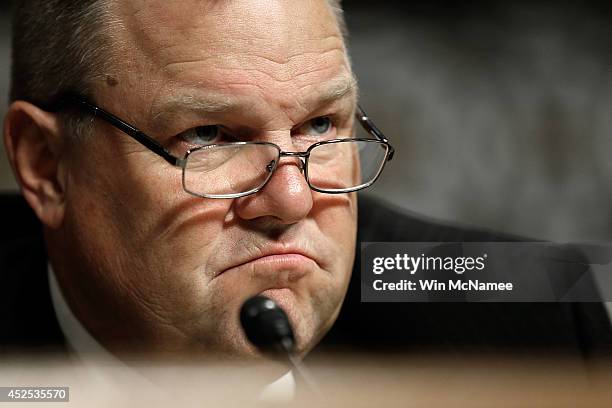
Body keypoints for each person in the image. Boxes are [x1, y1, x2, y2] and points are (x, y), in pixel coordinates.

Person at [2, 0, 611, 369]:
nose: (292, 200)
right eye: (211, 136)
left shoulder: (537, 317)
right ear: (47, 165)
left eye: (320, 125)